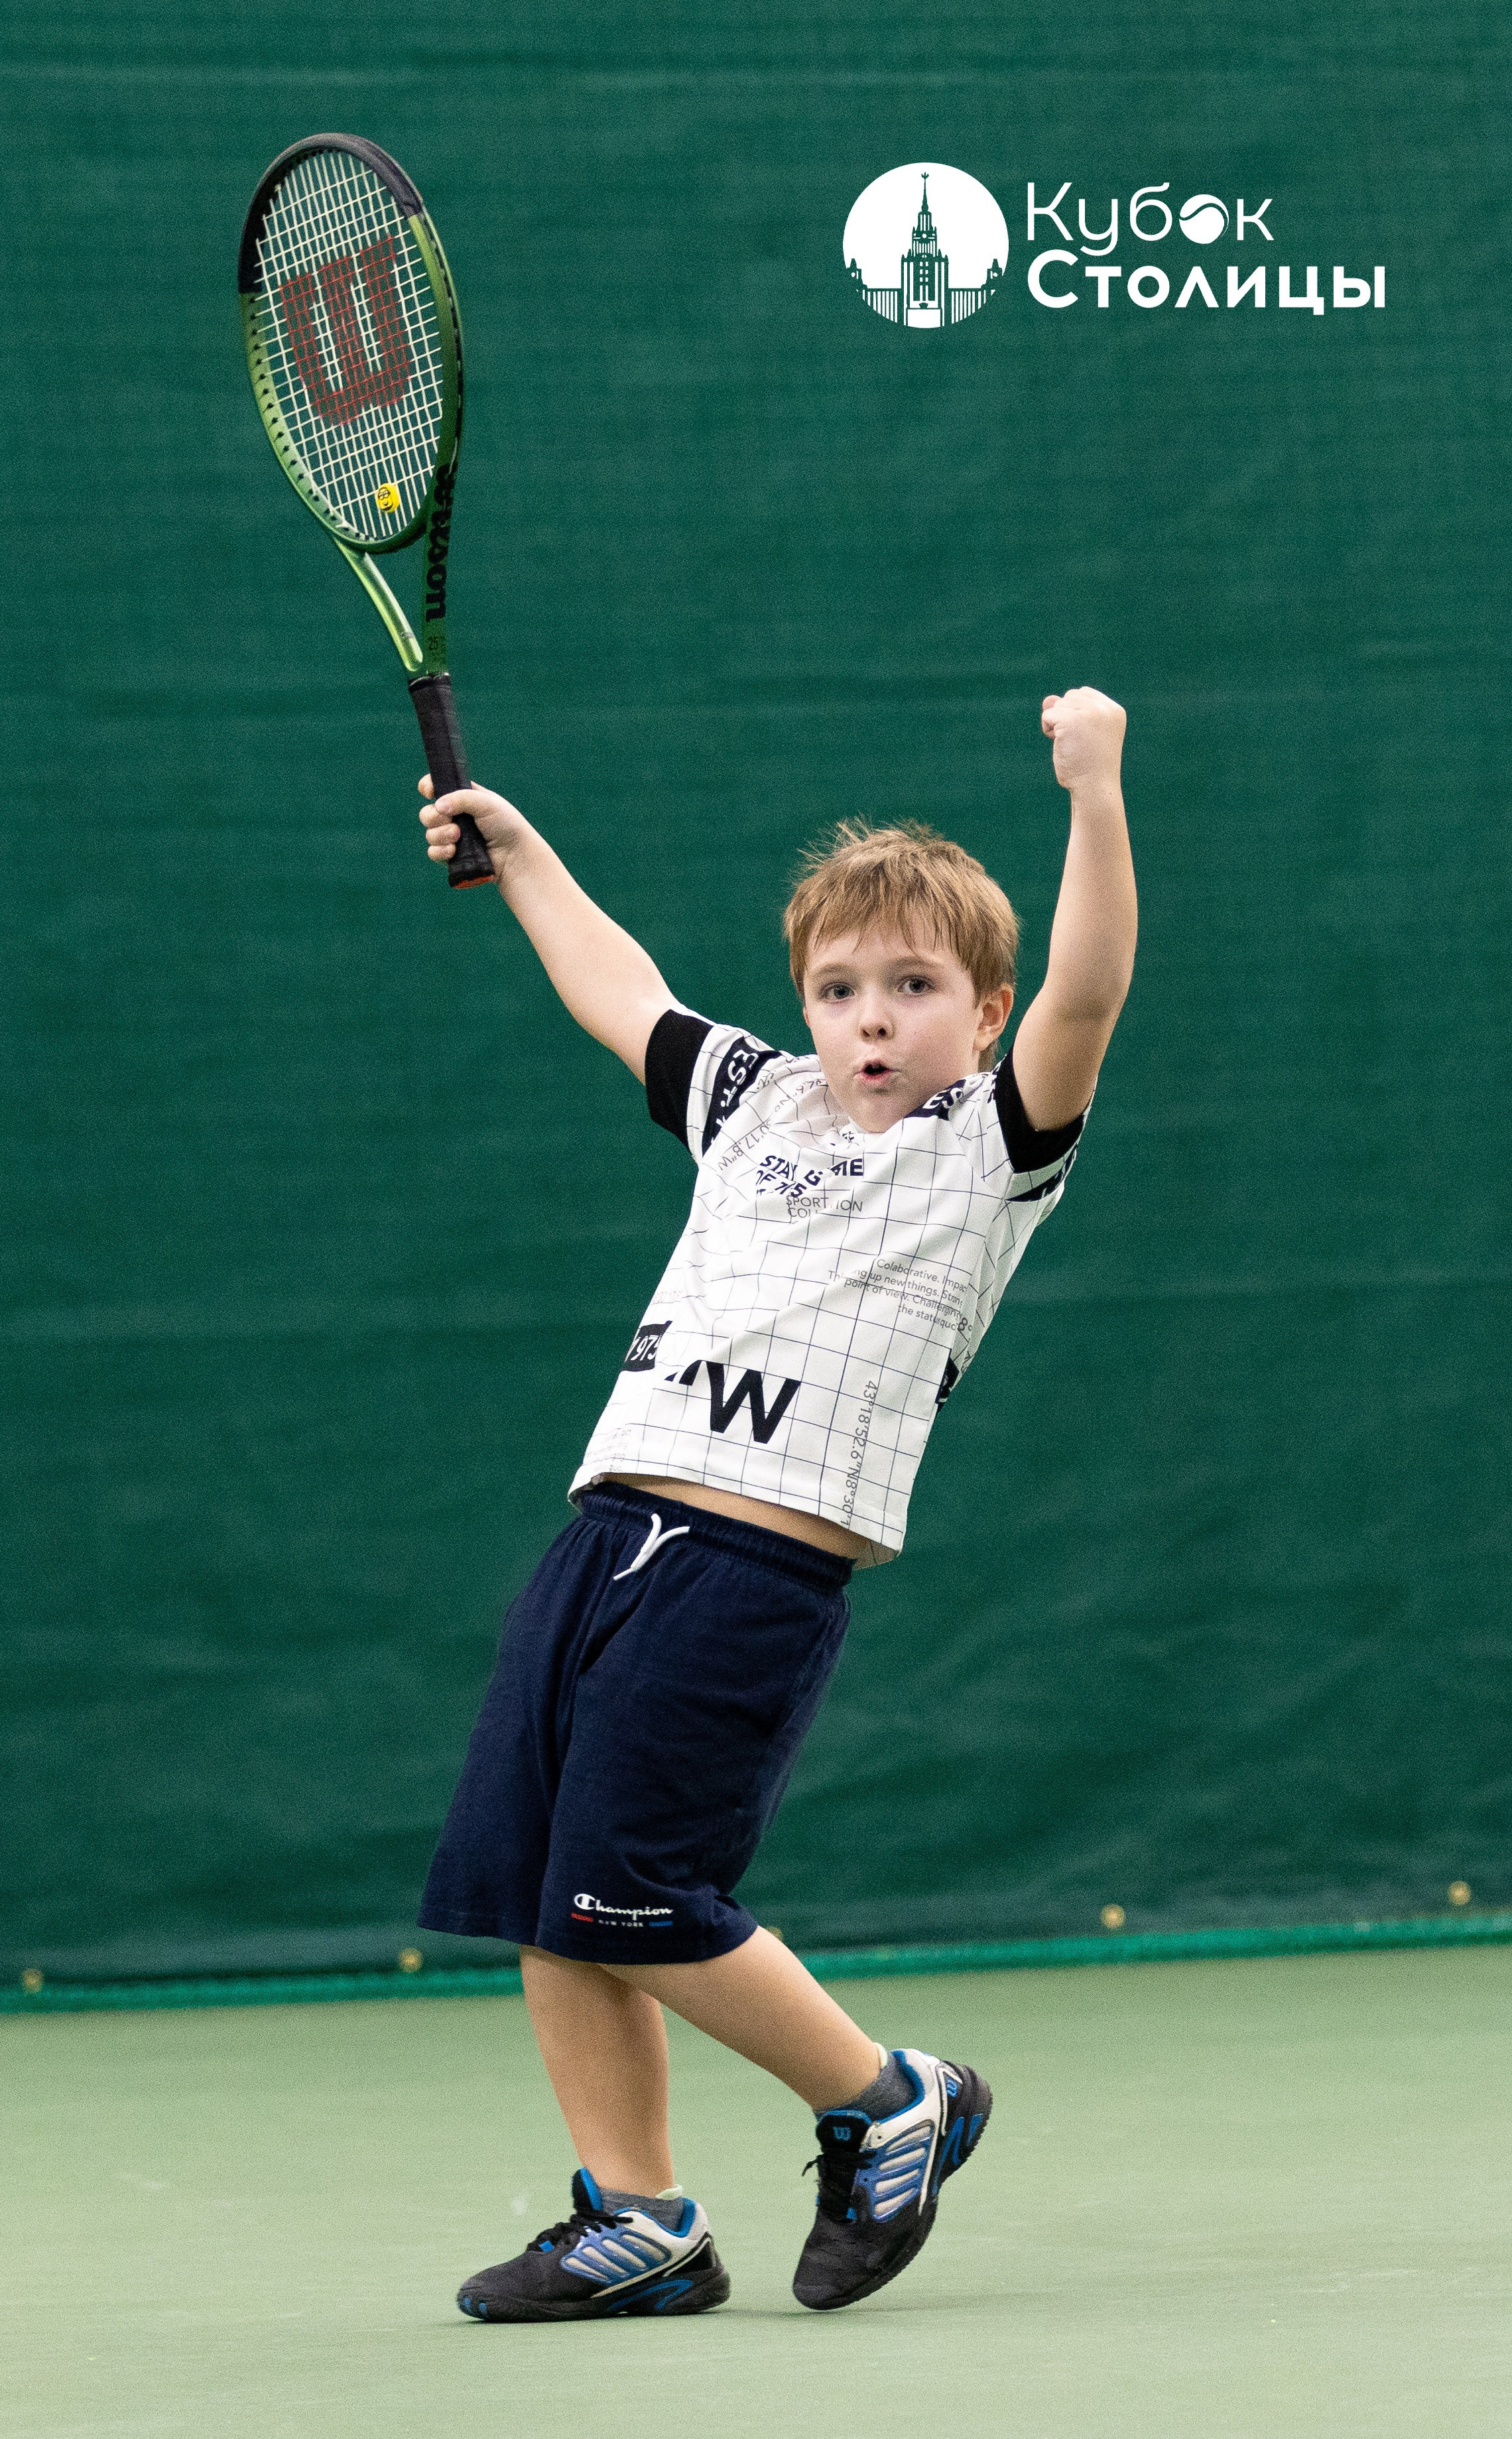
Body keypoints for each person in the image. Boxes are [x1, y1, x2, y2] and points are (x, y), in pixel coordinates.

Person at [414, 687, 1136, 2321]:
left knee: (633, 1890)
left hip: (751, 1569)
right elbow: (623, 991)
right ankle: (637, 2223)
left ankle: (890, 2099)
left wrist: (1092, 790)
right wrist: (520, 854)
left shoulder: (990, 1145)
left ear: (984, 1009)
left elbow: (1089, 989)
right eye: (837, 989)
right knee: (544, 1891)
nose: (870, 1019)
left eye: (912, 988)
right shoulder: (757, 1105)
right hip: (604, 1534)